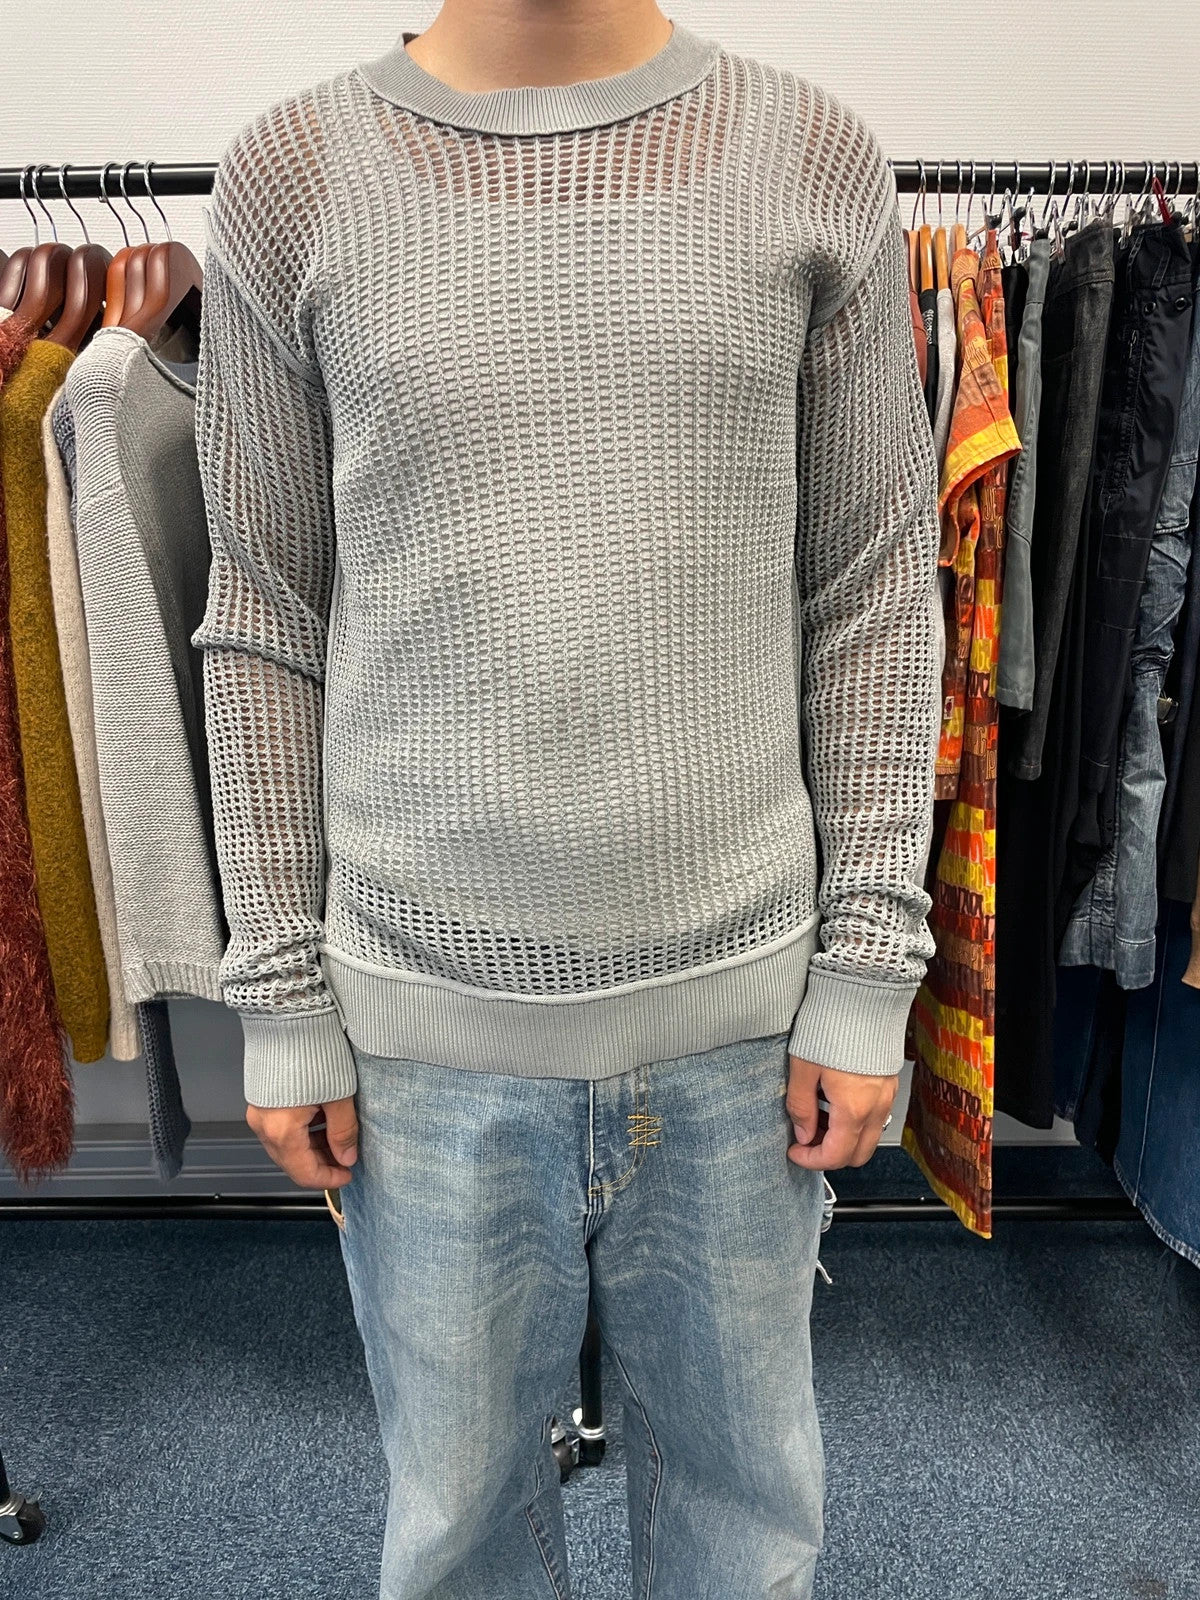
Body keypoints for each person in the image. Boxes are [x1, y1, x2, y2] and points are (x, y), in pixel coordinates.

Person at [191, 4, 942, 1595]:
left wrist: (869, 970)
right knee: (456, 1540)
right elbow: (262, 618)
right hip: (419, 1047)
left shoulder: (812, 161)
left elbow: (873, 597)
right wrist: (280, 993)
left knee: (744, 1537)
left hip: (743, 1037)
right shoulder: (289, 180)